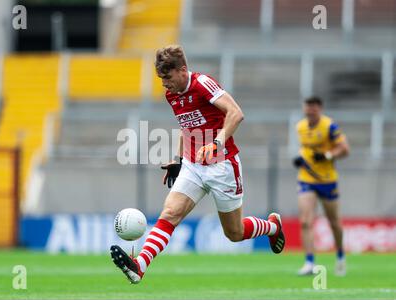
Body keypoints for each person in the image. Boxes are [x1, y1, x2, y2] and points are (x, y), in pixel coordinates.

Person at [110, 44, 285, 284]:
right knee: (170, 213)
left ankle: (272, 226)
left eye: (167, 77)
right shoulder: (172, 95)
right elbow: (187, 127)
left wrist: (216, 143)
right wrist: (179, 160)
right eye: (161, 79)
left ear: (183, 70)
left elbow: (236, 113)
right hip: (193, 165)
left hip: (222, 166)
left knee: (234, 233)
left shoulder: (203, 84)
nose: (164, 84)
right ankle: (139, 266)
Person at [293, 96, 350, 276]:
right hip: (306, 178)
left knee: (334, 222)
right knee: (305, 221)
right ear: (304, 108)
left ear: (320, 108)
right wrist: (300, 159)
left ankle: (340, 255)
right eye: (308, 107)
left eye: (314, 107)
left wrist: (327, 156)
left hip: (327, 180)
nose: (311, 110)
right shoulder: (300, 127)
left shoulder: (329, 126)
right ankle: (309, 262)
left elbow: (345, 149)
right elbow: (306, 149)